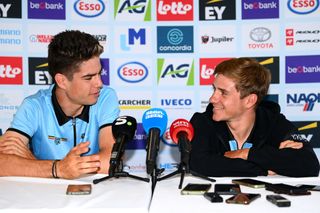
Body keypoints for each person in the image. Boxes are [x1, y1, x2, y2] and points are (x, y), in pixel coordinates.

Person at [0, 30, 120, 179]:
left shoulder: (105, 97)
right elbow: (2, 162)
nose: (100, 83)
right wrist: (59, 168)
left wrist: (36, 164)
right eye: (88, 78)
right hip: (44, 196)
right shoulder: (34, 106)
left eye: (99, 74)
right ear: (62, 81)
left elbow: (110, 161)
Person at [189, 57, 319, 177]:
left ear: (249, 101)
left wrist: (246, 153)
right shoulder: (202, 122)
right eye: (214, 90)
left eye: (223, 93)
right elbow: (199, 163)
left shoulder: (274, 123)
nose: (212, 99)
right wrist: (262, 168)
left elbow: (309, 164)